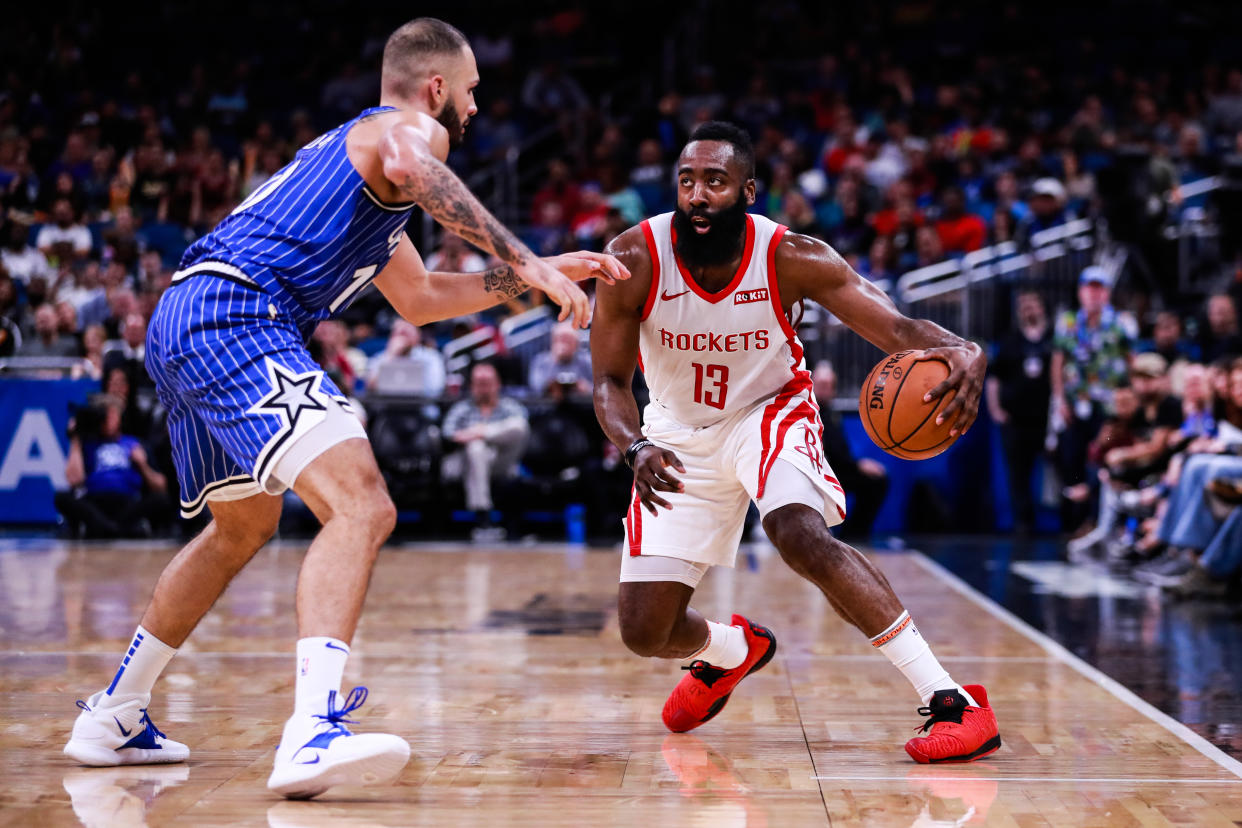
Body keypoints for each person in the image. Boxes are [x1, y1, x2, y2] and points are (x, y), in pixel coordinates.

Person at [63, 18, 627, 800]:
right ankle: (310, 731)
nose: (472, 108)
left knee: (242, 527)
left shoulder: (360, 177)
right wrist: (523, 255)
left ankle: (114, 714)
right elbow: (414, 159)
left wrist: (523, 283)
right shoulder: (402, 132)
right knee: (361, 505)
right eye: (469, 92)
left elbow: (423, 301)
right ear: (436, 89)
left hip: (188, 319)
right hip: (237, 314)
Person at [591, 122, 999, 764]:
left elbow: (895, 329)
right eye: (686, 181)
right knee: (646, 632)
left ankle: (952, 700)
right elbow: (609, 382)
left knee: (798, 532)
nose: (697, 195)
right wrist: (632, 447)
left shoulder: (793, 256)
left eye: (715, 182)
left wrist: (962, 350)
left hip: (768, 410)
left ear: (747, 191)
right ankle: (732, 651)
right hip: (672, 433)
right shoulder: (635, 260)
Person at [54, 394, 170, 538]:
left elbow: (161, 486)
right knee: (61, 497)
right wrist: (75, 438)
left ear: (119, 418)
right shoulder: (88, 443)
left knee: (161, 500)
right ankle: (116, 529)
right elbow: (74, 481)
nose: (108, 420)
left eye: (112, 415)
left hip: (127, 502)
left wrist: (142, 464)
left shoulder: (133, 443)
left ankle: (108, 528)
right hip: (95, 502)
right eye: (105, 415)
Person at [986, 290, 1053, 534]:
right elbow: (994, 377)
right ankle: (1023, 525)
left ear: (1043, 307)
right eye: (1023, 305)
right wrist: (995, 409)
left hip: (1048, 419)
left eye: (1032, 304)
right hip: (1016, 419)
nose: (1028, 309)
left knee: (1059, 469)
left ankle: (1067, 523)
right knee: (1018, 474)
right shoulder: (1009, 341)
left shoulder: (1054, 339)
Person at [442, 361, 530, 538]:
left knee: (518, 427)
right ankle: (483, 516)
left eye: (487, 383)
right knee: (476, 448)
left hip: (499, 462)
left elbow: (520, 427)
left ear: (498, 384)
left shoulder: (510, 407)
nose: (483, 389)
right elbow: (448, 434)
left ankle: (483, 519)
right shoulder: (462, 408)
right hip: (465, 463)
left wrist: (479, 432)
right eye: (479, 384)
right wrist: (475, 438)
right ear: (472, 386)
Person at [811, 361, 889, 538]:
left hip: (836, 470)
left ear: (834, 389)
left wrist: (856, 464)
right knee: (875, 481)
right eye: (821, 384)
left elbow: (839, 450)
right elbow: (831, 451)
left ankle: (855, 532)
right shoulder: (809, 411)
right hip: (819, 473)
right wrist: (857, 465)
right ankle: (854, 533)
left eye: (828, 385)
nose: (824, 389)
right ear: (812, 384)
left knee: (877, 480)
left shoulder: (830, 412)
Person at [365, 319, 446, 397]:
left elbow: (436, 390)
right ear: (391, 337)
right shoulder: (382, 357)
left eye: (406, 333)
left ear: (418, 336)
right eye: (399, 333)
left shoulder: (431, 357)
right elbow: (369, 387)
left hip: (422, 407)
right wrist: (390, 356)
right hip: (386, 407)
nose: (403, 339)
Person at [528, 321, 592, 395]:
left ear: (576, 343)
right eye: (560, 339)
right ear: (553, 341)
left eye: (568, 340)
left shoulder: (586, 361)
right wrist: (555, 360)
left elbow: (598, 388)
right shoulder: (541, 361)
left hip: (582, 404)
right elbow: (536, 387)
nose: (563, 344)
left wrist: (583, 387)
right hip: (549, 405)